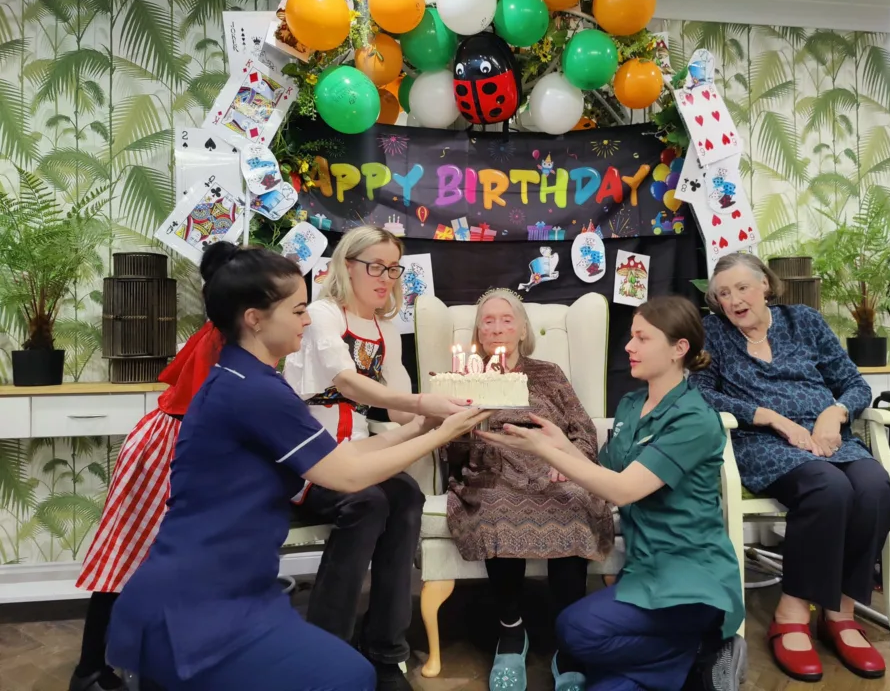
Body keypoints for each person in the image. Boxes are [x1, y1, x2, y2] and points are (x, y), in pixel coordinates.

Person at [106, 242, 491, 691]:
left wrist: (423, 427)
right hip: (195, 608)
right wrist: (441, 434)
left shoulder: (248, 378)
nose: (308, 321)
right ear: (254, 319)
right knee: (348, 677)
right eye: (298, 310)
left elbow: (340, 457)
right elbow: (346, 477)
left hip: (228, 594)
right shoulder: (254, 391)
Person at [479, 296, 745, 691]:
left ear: (678, 349)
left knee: (573, 632)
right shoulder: (631, 405)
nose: (628, 347)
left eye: (642, 338)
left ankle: (706, 650)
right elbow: (604, 473)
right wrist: (560, 443)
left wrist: (544, 451)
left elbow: (622, 490)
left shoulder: (694, 419)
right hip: (642, 570)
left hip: (690, 577)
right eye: (631, 336)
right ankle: (688, 667)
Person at [692, 252, 890, 683]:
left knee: (875, 487)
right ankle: (792, 612)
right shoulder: (712, 333)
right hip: (762, 442)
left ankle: (839, 612)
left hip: (827, 437)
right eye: (724, 294)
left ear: (765, 285)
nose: (734, 300)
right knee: (829, 490)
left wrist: (836, 413)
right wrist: (768, 416)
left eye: (742, 288)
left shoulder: (803, 321)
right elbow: (700, 394)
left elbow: (854, 382)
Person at [282, 225, 467, 691]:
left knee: (404, 495)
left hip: (360, 451)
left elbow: (398, 396)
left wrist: (442, 411)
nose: (386, 277)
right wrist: (424, 408)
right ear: (347, 266)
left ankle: (386, 651)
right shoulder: (321, 314)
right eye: (376, 267)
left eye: (392, 268)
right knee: (368, 502)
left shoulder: (386, 327)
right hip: (309, 458)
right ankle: (327, 652)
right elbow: (346, 382)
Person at [444, 288, 614, 691]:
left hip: (553, 466)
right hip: (494, 470)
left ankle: (568, 641)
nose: (498, 328)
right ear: (478, 333)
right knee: (495, 508)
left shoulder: (549, 373)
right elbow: (453, 449)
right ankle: (511, 630)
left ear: (522, 329)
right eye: (488, 320)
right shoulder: (467, 378)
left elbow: (583, 429)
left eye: (506, 319)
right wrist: (463, 427)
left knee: (573, 505)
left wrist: (572, 463)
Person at [71, 270, 225, 691]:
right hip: (170, 446)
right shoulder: (221, 340)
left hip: (165, 439)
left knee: (132, 556)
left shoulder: (217, 334)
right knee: (129, 557)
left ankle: (100, 667)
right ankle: (91, 669)